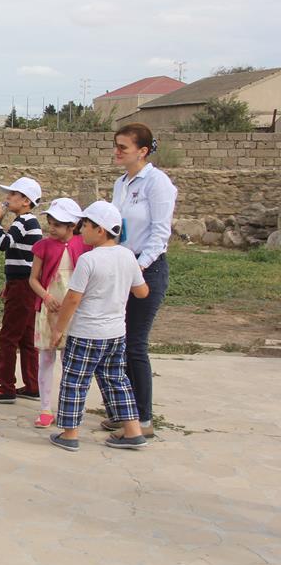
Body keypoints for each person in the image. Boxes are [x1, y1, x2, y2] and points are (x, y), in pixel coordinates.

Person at [48, 201, 150, 452]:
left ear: (100, 230)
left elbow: (73, 298)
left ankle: (70, 434)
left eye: (85, 225)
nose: (81, 230)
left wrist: (59, 329)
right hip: (116, 333)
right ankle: (133, 431)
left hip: (86, 333)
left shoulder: (88, 260)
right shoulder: (127, 255)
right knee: (118, 380)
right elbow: (142, 291)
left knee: (75, 381)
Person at [107, 123, 177, 439]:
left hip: (147, 270)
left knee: (135, 344)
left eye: (124, 147)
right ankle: (125, 412)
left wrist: (137, 268)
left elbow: (160, 234)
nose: (117, 152)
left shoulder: (157, 183)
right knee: (118, 345)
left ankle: (143, 419)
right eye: (116, 146)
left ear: (143, 151)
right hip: (122, 267)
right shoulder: (121, 183)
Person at [0, 177, 43, 404]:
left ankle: (6, 388)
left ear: (26, 201)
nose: (7, 199)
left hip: (22, 286)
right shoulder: (30, 221)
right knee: (26, 337)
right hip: (25, 283)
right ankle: (33, 385)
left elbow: (3, 244)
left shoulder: (22, 221)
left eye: (13, 195)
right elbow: (23, 257)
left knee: (8, 337)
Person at [27, 198, 89, 427]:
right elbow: (33, 278)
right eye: (50, 222)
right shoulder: (43, 246)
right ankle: (45, 407)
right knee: (46, 358)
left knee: (70, 359)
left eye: (58, 224)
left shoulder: (84, 246)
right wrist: (46, 296)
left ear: (73, 226)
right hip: (49, 308)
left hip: (73, 309)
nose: (51, 228)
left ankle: (67, 406)